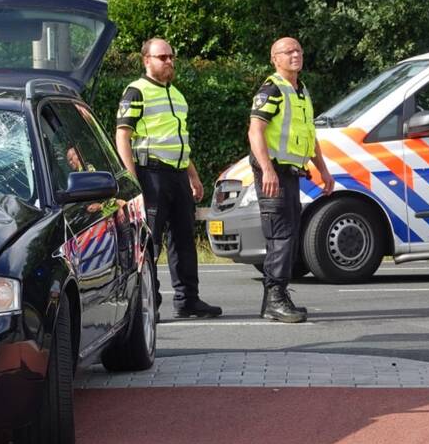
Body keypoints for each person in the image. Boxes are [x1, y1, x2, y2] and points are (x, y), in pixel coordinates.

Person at [114, 38, 222, 319]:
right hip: (151, 175)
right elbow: (122, 136)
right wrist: (131, 179)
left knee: (184, 239)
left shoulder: (176, 94)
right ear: (146, 60)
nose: (169, 61)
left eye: (171, 57)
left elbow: (179, 141)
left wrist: (193, 176)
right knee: (151, 242)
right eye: (162, 57)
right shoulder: (136, 91)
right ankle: (150, 303)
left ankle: (188, 300)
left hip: (177, 174)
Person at [248, 37, 335, 323]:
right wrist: (267, 170)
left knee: (288, 234)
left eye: (298, 49)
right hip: (273, 172)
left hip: (290, 172)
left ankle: (274, 299)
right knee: (280, 236)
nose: (295, 54)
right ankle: (275, 298)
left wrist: (322, 168)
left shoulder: (300, 90)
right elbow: (255, 131)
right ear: (275, 59)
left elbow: (310, 136)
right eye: (288, 52)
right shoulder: (272, 89)